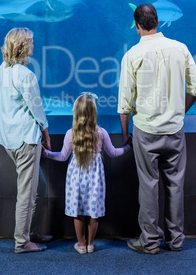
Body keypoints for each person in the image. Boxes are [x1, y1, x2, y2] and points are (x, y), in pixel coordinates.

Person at [118, 4, 196, 255]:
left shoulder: (132, 55)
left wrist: (126, 136)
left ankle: (150, 242)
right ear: (158, 21)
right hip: (174, 129)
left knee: (148, 185)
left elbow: (124, 104)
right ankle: (176, 241)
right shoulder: (181, 49)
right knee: (175, 185)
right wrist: (179, 112)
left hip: (145, 130)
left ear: (136, 26)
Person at [43, 93, 131, 254]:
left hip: (76, 179)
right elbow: (113, 153)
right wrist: (128, 147)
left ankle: (81, 244)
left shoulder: (71, 133)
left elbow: (62, 156)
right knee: (94, 212)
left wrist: (46, 153)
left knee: (78, 212)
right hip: (96, 178)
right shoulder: (101, 132)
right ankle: (91, 244)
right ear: (94, 112)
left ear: (76, 112)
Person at [0, 27, 52, 254]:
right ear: (22, 46)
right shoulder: (26, 75)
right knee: (27, 195)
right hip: (26, 140)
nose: (33, 45)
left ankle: (30, 231)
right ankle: (22, 242)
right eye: (30, 42)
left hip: (10, 138)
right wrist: (46, 135)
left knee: (39, 188)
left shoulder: (2, 69)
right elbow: (37, 110)